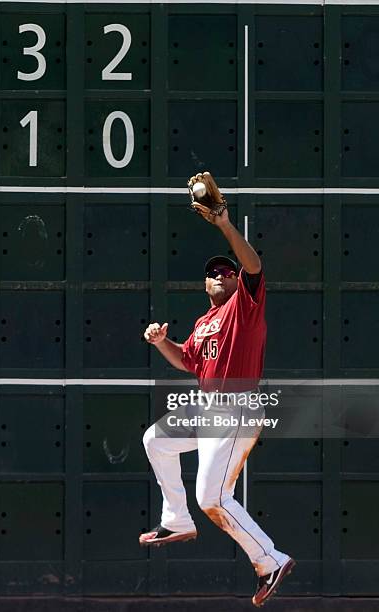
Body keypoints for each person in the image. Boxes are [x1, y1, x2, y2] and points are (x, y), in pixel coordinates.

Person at [140, 201, 295, 607]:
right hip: (208, 406)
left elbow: (254, 266)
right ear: (204, 285)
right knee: (155, 440)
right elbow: (187, 358)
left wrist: (225, 225)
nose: (219, 275)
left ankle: (270, 560)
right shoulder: (203, 322)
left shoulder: (244, 306)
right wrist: (161, 343)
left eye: (227, 271)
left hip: (236, 405)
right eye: (212, 273)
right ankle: (175, 520)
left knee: (212, 497)